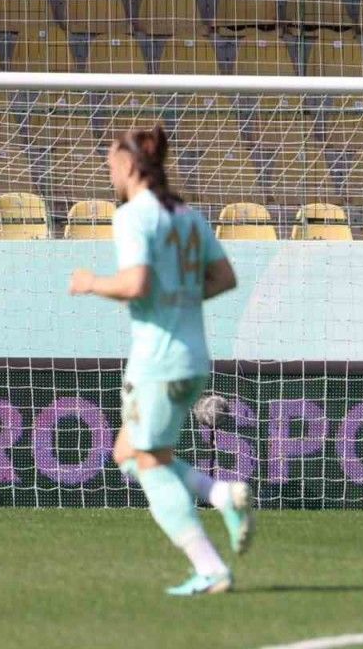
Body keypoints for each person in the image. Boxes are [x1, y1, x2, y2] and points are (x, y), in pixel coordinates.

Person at [69, 126, 253, 594]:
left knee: (149, 465)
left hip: (158, 361)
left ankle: (210, 567)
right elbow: (224, 277)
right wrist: (180, 298)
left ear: (130, 165)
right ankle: (220, 494)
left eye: (111, 164)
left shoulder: (134, 216)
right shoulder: (188, 216)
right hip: (193, 357)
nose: (109, 173)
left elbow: (136, 284)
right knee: (127, 453)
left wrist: (91, 283)